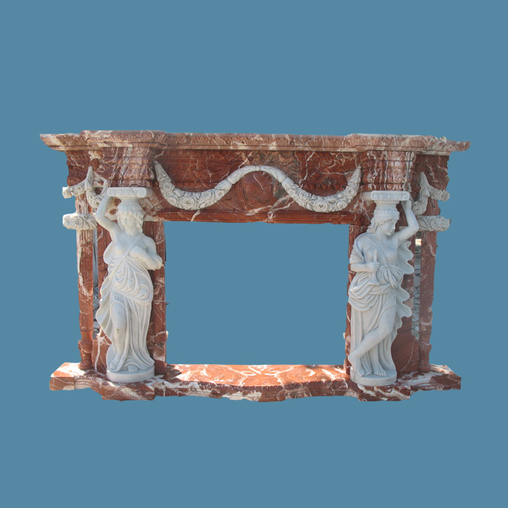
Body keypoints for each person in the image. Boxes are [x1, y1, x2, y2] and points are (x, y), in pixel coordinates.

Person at [348, 199, 419, 382]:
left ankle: (358, 356)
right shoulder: (363, 241)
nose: (393, 227)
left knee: (385, 329)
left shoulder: (393, 240)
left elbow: (413, 228)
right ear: (380, 221)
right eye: (390, 223)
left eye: (394, 223)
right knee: (370, 329)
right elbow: (354, 265)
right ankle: (370, 361)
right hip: (369, 291)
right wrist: (368, 267)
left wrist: (407, 208)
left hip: (388, 290)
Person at [95, 191, 163, 376]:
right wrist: (108, 194)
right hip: (118, 288)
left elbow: (156, 264)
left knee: (136, 331)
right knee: (119, 326)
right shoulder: (117, 233)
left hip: (139, 290)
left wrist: (143, 256)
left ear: (136, 219)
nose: (124, 221)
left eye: (127, 217)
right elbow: (100, 217)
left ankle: (135, 359)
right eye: (122, 217)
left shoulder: (146, 241)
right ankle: (119, 356)